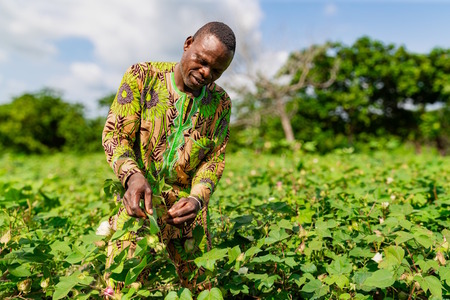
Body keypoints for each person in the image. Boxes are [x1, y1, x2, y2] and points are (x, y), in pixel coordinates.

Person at [101, 21, 235, 291]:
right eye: (201, 61)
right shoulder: (142, 76)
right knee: (121, 288)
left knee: (203, 289)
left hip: (186, 214)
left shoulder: (220, 103)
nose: (205, 73)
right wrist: (133, 176)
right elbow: (116, 135)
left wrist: (197, 200)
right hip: (140, 204)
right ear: (188, 44)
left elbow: (213, 160)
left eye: (216, 70)